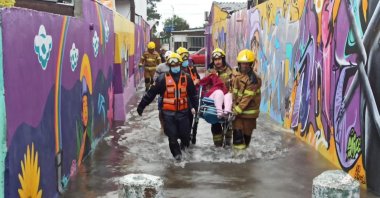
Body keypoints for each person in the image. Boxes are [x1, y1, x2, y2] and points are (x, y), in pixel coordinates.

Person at [137, 53, 198, 161]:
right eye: (172, 65)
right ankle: (178, 161)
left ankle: (185, 154)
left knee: (185, 137)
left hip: (183, 113)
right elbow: (151, 93)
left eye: (176, 65)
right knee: (172, 138)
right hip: (168, 115)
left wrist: (197, 109)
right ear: (169, 65)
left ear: (179, 64)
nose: (174, 67)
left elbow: (193, 95)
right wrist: (141, 106)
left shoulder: (187, 78)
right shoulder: (162, 79)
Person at [231, 49, 261, 150]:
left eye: (247, 64)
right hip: (238, 113)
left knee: (246, 139)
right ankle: (237, 162)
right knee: (237, 137)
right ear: (239, 63)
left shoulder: (253, 80)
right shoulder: (235, 73)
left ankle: (243, 161)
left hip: (249, 114)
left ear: (251, 64)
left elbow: (246, 99)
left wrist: (236, 111)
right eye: (243, 63)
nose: (245, 66)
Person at [205, 48, 234, 147]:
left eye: (219, 59)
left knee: (229, 125)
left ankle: (227, 145)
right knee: (216, 125)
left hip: (227, 102)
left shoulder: (230, 72)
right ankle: (217, 147)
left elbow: (234, 87)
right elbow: (206, 87)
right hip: (214, 102)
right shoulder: (209, 72)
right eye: (215, 59)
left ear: (223, 59)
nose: (217, 61)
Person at [176, 47, 201, 144]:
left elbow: (198, 78)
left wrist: (194, 82)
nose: (186, 60)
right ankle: (182, 137)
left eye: (187, 57)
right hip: (182, 99)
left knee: (191, 119)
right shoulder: (176, 70)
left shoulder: (192, 67)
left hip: (193, 96)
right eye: (183, 58)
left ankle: (189, 137)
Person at [154, 50, 172, 130]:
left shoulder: (176, 66)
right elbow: (155, 78)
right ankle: (162, 126)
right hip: (162, 93)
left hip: (173, 92)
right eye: (167, 58)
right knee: (161, 110)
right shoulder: (160, 67)